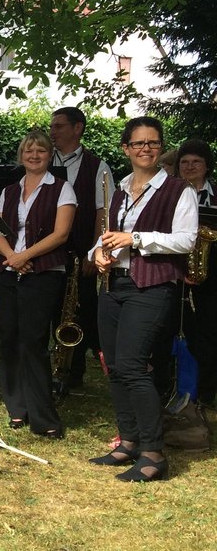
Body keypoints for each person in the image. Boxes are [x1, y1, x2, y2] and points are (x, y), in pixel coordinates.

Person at [89, 117, 197, 481]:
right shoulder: (118, 190)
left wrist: (135, 239)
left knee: (134, 366)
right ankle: (129, 442)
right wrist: (96, 254)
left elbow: (186, 240)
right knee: (116, 367)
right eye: (138, 143)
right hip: (114, 287)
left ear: (161, 146)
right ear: (126, 149)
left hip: (151, 287)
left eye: (153, 143)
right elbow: (106, 237)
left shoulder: (179, 190)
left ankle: (154, 453)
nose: (146, 149)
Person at [0, 131, 75, 439]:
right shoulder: (9, 191)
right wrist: (12, 256)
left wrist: (25, 255)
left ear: (49, 155)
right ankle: (17, 406)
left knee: (33, 341)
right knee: (9, 337)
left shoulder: (63, 189)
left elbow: (60, 234)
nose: (34, 155)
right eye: (29, 150)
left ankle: (43, 415)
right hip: (8, 270)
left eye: (40, 150)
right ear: (21, 155)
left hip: (44, 272)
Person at [50, 106, 113, 388]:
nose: (53, 132)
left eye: (59, 126)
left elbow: (104, 211)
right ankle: (51, 367)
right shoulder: (43, 157)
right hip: (46, 250)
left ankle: (73, 373)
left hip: (79, 252)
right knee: (50, 309)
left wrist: (94, 249)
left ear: (78, 128)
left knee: (79, 311)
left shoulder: (97, 166)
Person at [175, 139, 217, 406]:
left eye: (196, 162)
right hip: (175, 269)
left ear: (207, 166)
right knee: (176, 328)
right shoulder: (170, 192)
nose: (190, 167)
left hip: (211, 272)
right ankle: (176, 385)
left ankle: (205, 389)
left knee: (208, 330)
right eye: (185, 162)